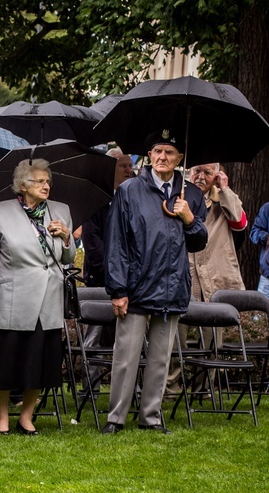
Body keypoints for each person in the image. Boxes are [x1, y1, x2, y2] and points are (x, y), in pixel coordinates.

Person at [101, 130, 208, 435]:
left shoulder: (192, 196)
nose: (162, 157)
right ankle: (116, 417)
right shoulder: (129, 191)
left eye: (169, 152)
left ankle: (150, 417)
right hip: (136, 287)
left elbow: (199, 242)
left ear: (180, 158)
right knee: (126, 357)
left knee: (161, 359)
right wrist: (118, 290)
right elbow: (117, 243)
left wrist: (189, 218)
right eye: (157, 151)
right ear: (149, 156)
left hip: (172, 286)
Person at [0, 158, 76, 435]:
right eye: (40, 181)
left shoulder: (60, 211)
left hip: (48, 297)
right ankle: (2, 416)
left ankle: (26, 415)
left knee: (41, 360)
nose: (46, 185)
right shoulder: (0, 211)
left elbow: (67, 258)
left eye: (48, 181)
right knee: (7, 360)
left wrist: (66, 237)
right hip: (13, 295)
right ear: (23, 185)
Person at [165, 162, 248, 398]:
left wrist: (225, 190)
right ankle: (170, 388)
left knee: (213, 340)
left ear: (217, 176)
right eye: (197, 171)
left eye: (208, 173)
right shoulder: (177, 195)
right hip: (184, 274)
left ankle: (204, 390)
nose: (201, 176)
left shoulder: (225, 198)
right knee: (175, 336)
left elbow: (240, 222)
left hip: (215, 276)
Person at [78, 147, 134, 395]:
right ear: (110, 168)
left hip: (129, 282)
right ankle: (91, 385)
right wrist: (114, 272)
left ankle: (133, 385)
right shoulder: (95, 201)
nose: (129, 170)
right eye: (124, 166)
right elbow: (93, 245)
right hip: (99, 281)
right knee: (95, 335)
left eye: (130, 166)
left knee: (131, 335)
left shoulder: (132, 202)